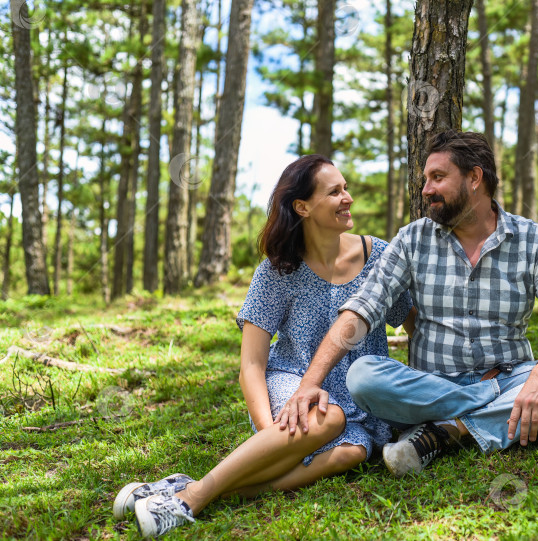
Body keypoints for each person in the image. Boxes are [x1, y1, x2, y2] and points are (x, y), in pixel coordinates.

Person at [277, 131, 538, 478]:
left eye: (438, 177)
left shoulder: (536, 241)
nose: (426, 189)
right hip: (432, 387)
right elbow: (362, 310)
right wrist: (310, 382)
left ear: (475, 178)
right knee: (364, 377)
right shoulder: (412, 239)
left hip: (513, 378)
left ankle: (448, 430)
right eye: (425, 179)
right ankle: (531, 419)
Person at [112, 155, 413, 537]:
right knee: (330, 418)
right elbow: (251, 365)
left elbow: (413, 320)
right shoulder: (278, 270)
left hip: (362, 394)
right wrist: (270, 435)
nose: (347, 197)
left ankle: (183, 490)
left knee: (352, 453)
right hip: (293, 380)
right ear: (302, 206)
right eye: (334, 191)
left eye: (346, 188)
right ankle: (191, 501)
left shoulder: (378, 257)